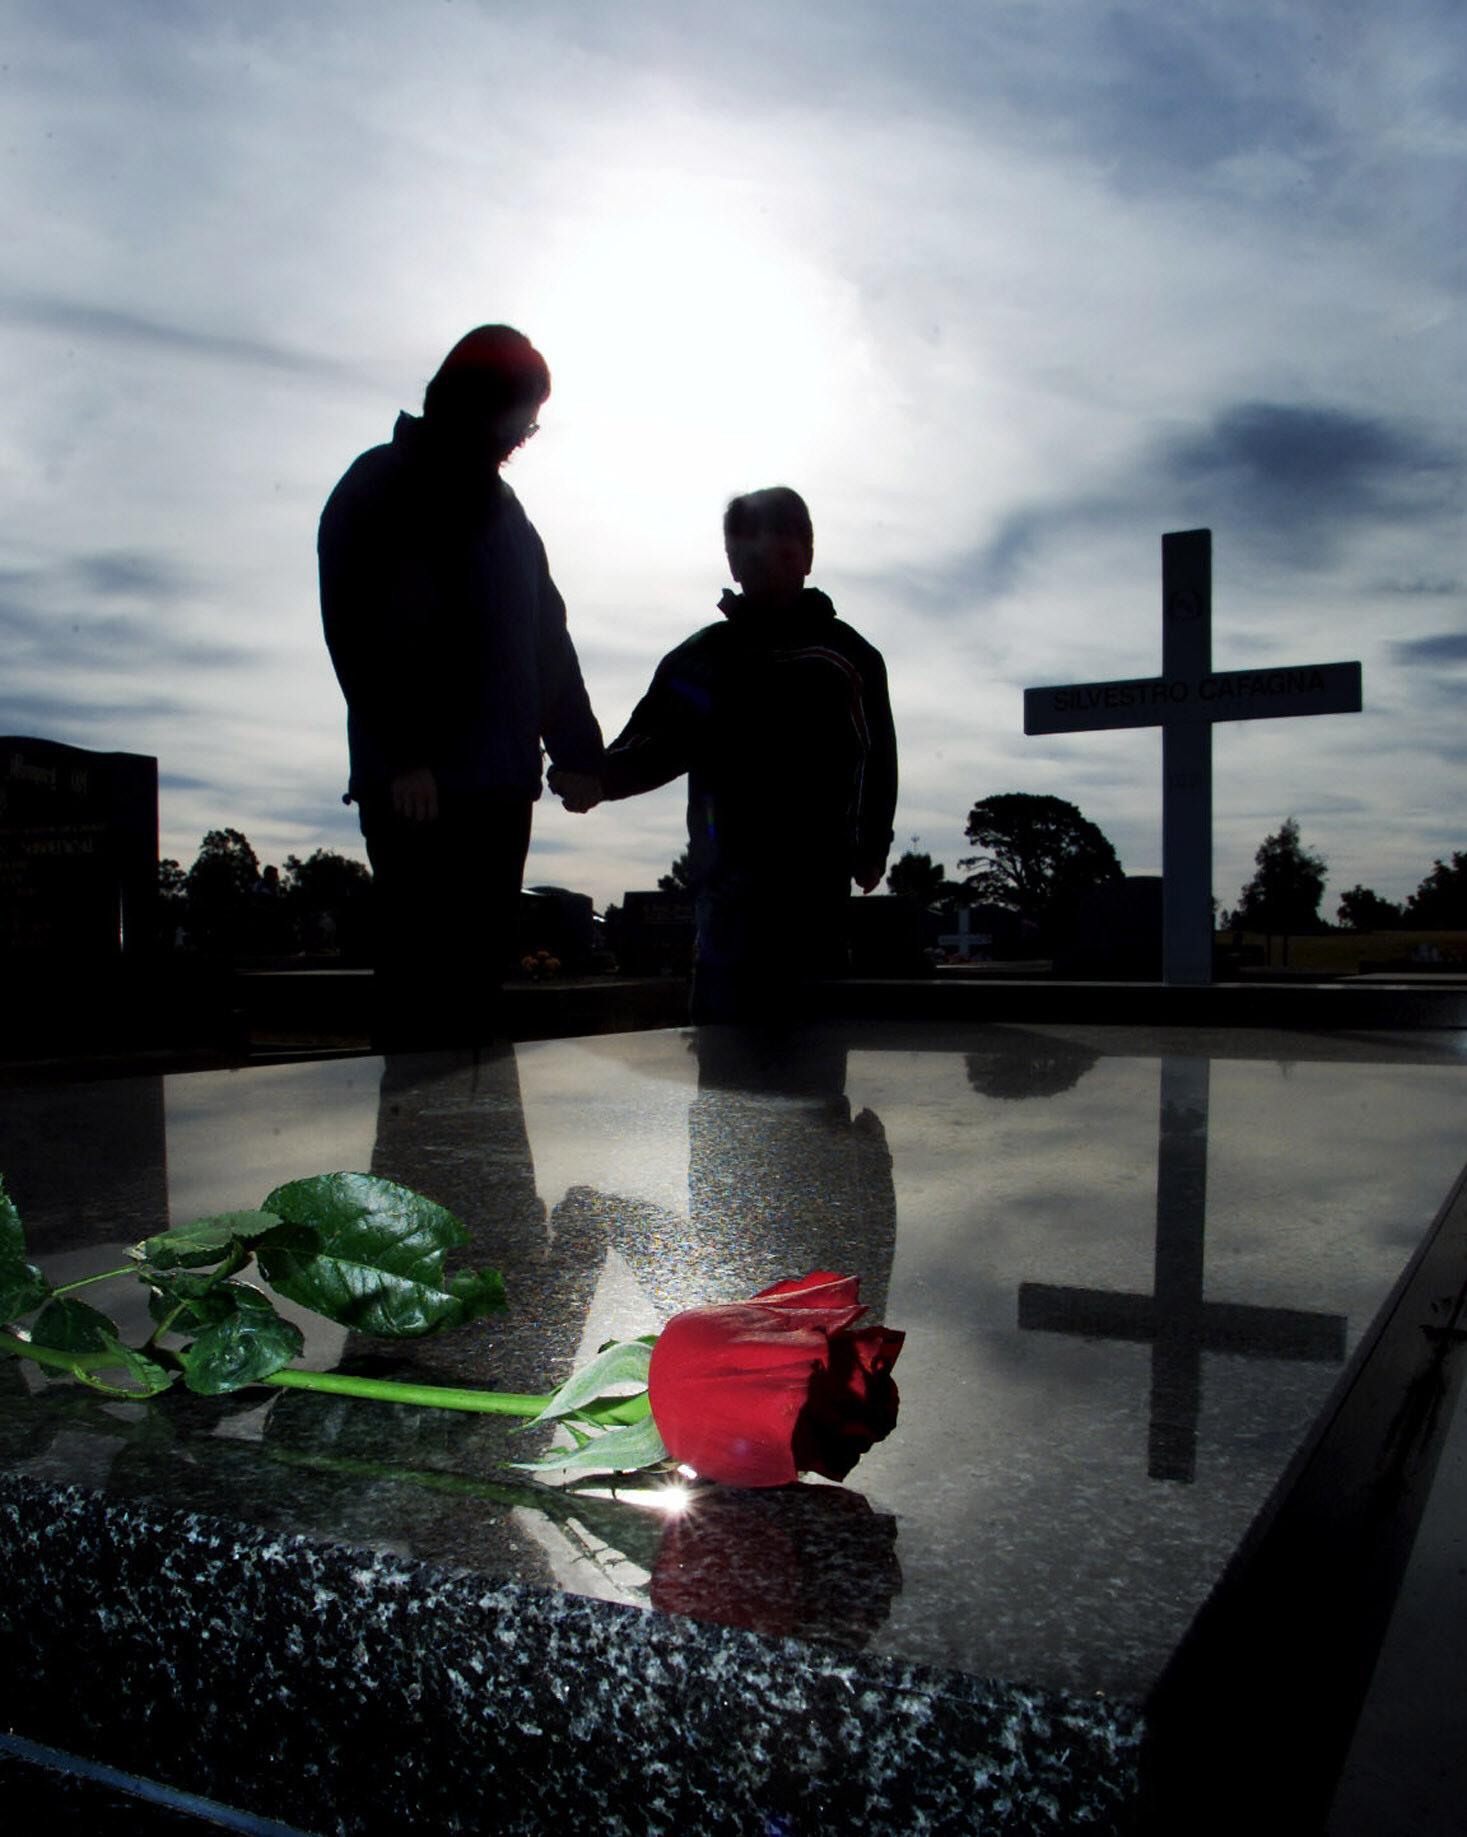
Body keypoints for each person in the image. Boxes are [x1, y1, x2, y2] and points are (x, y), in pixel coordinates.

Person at [319, 325, 603, 1048]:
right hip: (420, 790)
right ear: (480, 404)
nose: (523, 437)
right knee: (421, 990)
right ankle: (412, 1160)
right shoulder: (381, 484)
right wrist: (402, 752)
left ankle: (486, 1163)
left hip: (501, 788)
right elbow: (357, 624)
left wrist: (576, 751)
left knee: (478, 995)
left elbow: (547, 640)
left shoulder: (511, 518)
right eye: (521, 419)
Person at [599, 485, 896, 1022]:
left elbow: (876, 759)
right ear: (733, 565)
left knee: (814, 1044)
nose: (769, 569)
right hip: (726, 883)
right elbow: (656, 741)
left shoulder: (847, 658)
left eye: (784, 554)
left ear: (807, 556)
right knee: (722, 1039)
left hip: (816, 881)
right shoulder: (703, 657)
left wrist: (871, 845)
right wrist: (597, 778)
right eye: (752, 556)